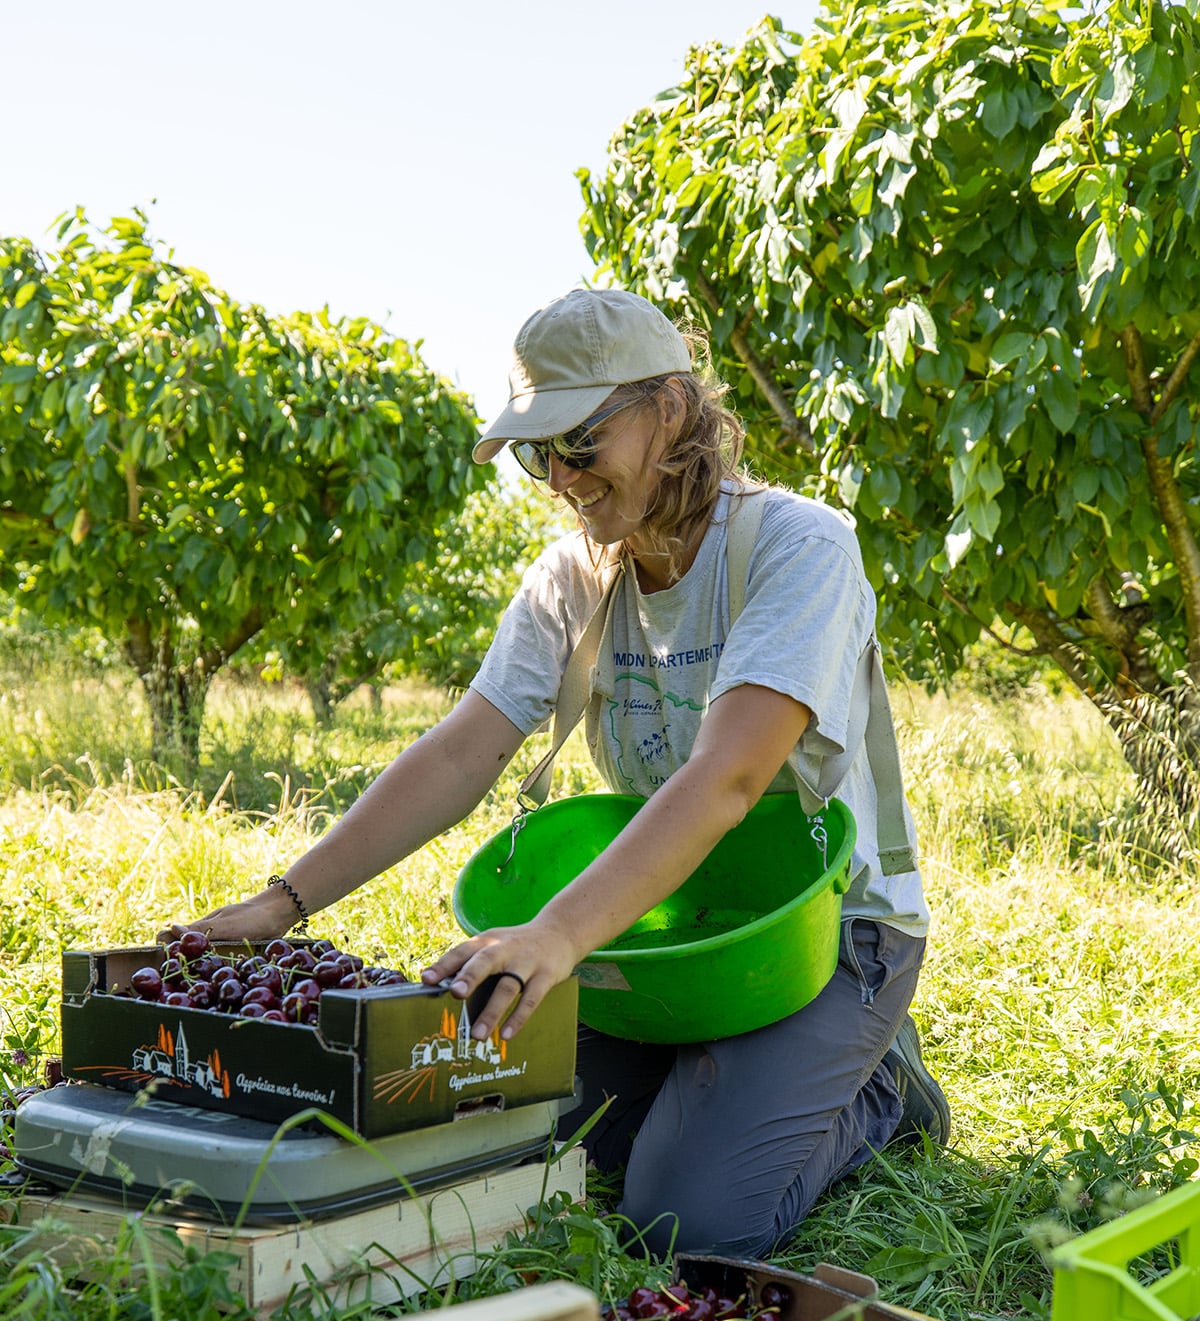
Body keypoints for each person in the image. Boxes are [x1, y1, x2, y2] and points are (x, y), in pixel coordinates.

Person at [188, 287, 949, 1259]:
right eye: (538, 453)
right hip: (670, 933)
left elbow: (729, 777)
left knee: (687, 1222)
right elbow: (464, 750)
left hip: (823, 934)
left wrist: (554, 936)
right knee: (534, 1150)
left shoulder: (798, 550)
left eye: (579, 443)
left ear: (670, 408)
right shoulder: (575, 581)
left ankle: (881, 1089)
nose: (560, 476)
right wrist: (283, 902)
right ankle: (734, 1077)